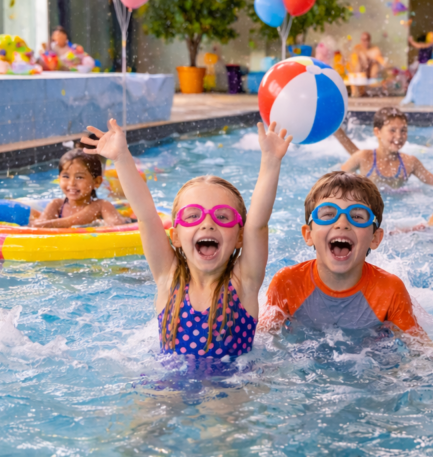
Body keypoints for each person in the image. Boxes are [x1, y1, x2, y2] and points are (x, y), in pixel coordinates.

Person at [81, 118, 292, 360]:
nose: (207, 223)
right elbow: (147, 216)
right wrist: (121, 157)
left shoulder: (244, 282)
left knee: (218, 401)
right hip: (170, 384)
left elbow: (257, 225)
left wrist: (271, 161)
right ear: (176, 236)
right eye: (193, 216)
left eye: (222, 216)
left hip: (231, 389)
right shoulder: (168, 278)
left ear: (239, 237)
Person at [261, 172, 433, 345]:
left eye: (357, 216)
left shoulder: (389, 290)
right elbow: (262, 341)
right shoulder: (288, 282)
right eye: (328, 214)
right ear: (308, 235)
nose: (342, 223)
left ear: (375, 238)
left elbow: (422, 348)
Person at [341, 107, 433, 189]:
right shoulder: (363, 157)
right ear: (377, 132)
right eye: (392, 130)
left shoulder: (410, 162)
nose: (399, 136)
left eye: (403, 130)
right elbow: (335, 181)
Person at [32, 148, 129, 228]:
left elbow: (117, 225)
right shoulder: (56, 205)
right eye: (66, 176)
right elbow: (39, 226)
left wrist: (55, 224)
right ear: (59, 179)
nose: (72, 183)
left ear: (96, 182)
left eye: (79, 177)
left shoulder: (101, 206)